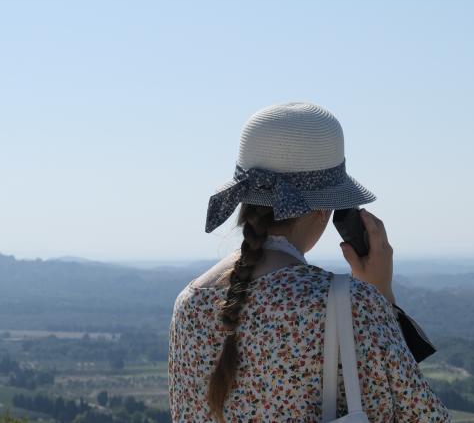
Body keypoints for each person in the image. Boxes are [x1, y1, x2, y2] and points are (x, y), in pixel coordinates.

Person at [168, 102, 451, 422]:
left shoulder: (190, 304)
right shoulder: (351, 303)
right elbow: (421, 414)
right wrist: (382, 294)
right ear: (323, 209)